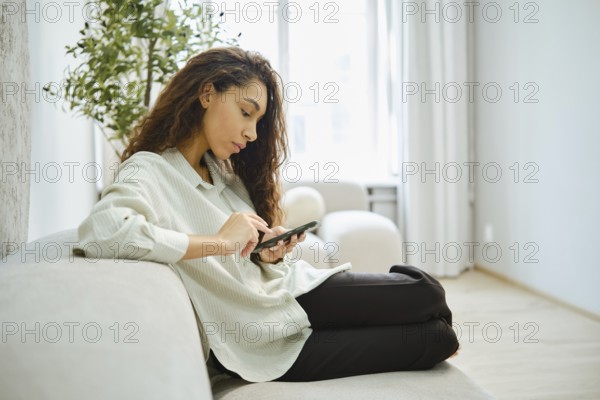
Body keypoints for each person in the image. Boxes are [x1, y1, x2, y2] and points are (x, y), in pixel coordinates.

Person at [77, 46, 459, 383]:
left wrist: (262, 252)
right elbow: (103, 232)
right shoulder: (149, 169)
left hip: (288, 295)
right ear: (207, 93)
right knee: (432, 321)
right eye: (246, 113)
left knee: (432, 312)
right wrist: (220, 242)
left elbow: (237, 260)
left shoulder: (223, 174)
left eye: (258, 120)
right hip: (261, 339)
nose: (253, 133)